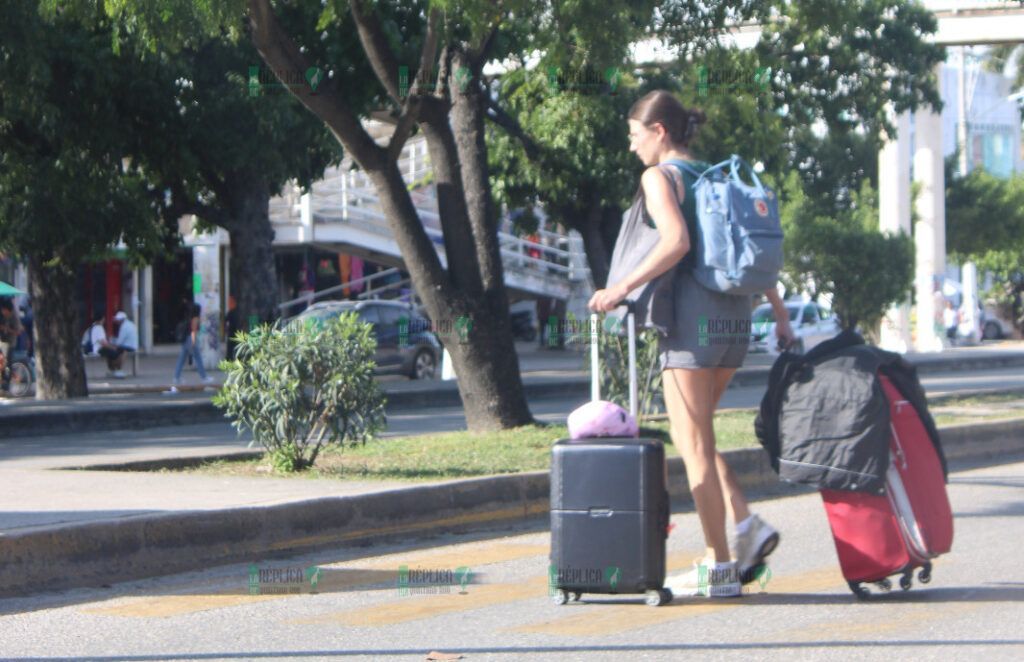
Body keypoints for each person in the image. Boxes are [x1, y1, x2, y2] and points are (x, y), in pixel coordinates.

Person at [588, 90, 796, 599]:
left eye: (636, 135)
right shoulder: (719, 174)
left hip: (691, 326)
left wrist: (619, 288)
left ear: (659, 131)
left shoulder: (660, 178)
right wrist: (782, 316)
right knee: (695, 435)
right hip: (734, 326)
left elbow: (675, 241)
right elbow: (754, 251)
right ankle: (746, 526)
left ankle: (718, 565)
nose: (633, 146)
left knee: (694, 444)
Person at [168, 303, 214, 393]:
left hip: (186, 340)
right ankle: (204, 377)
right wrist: (193, 342)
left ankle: (176, 377)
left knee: (181, 359)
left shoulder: (189, 317)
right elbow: (193, 331)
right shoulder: (196, 319)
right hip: (191, 340)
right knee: (198, 358)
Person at [98, 311, 138, 378]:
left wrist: (111, 343)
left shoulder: (124, 327)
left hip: (127, 346)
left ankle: (116, 369)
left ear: (122, 320)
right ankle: (114, 370)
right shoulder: (130, 324)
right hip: (132, 345)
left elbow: (119, 342)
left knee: (111, 351)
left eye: (118, 320)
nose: (117, 321)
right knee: (112, 350)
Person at [1, 298, 24, 392]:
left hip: (10, 342)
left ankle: (6, 384)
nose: (2, 311)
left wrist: (6, 329)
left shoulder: (14, 317)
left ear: (8, 310)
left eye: (4, 310)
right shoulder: (2, 315)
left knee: (7, 363)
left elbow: (19, 331)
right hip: (2, 341)